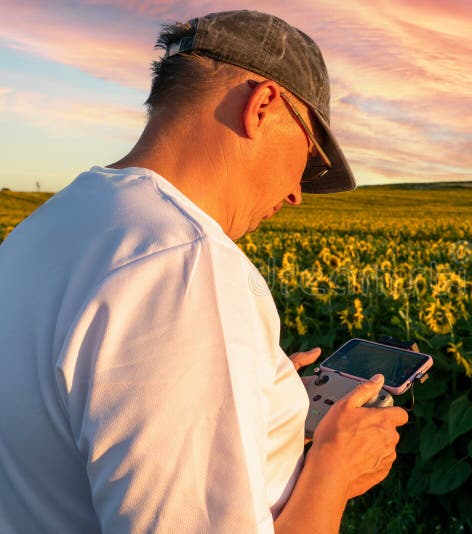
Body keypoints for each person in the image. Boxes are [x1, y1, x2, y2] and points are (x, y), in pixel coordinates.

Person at [0, 10, 407, 533]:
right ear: (262, 106)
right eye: (305, 160)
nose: (296, 193)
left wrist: (249, 392)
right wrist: (335, 468)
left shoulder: (52, 224)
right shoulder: (183, 264)